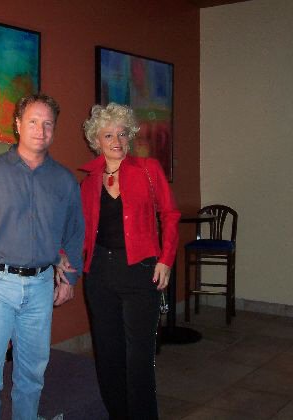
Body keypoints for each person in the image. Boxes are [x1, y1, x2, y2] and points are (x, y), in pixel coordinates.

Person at [0, 93, 84, 420]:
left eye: (48, 123)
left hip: (40, 287)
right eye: (33, 121)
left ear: (54, 129)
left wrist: (70, 277)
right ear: (18, 125)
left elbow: (74, 232)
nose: (41, 130)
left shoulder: (64, 180)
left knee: (32, 375)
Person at [77, 102, 180, 419]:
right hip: (99, 275)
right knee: (108, 356)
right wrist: (65, 259)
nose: (116, 141)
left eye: (122, 133)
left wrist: (166, 259)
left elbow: (170, 214)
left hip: (140, 272)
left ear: (130, 135)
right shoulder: (89, 181)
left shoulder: (148, 169)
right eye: (108, 135)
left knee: (139, 359)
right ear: (96, 140)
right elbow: (78, 229)